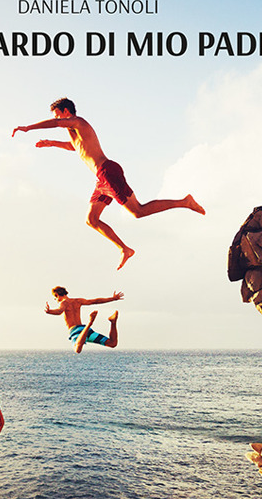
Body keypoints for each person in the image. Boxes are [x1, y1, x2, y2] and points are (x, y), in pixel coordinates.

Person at [12, 97, 205, 270]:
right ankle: (125, 249)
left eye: (58, 115)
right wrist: (52, 143)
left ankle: (184, 202)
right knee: (91, 220)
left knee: (138, 211)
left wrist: (28, 128)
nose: (57, 119)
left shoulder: (79, 122)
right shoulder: (75, 133)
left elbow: (55, 123)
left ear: (66, 112)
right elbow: (77, 147)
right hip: (101, 178)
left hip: (108, 172)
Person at [45, 286, 123, 353]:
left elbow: (59, 311)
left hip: (76, 331)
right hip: (85, 330)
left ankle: (90, 322)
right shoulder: (78, 301)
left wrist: (49, 311)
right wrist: (113, 298)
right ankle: (113, 322)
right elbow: (95, 301)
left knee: (77, 349)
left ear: (57, 295)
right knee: (112, 343)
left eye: (55, 298)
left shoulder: (63, 303)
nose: (56, 300)